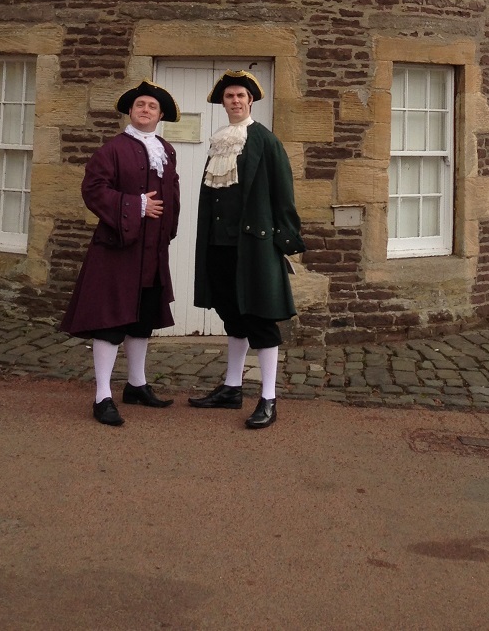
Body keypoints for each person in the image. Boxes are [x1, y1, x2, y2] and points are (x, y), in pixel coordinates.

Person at [189, 70, 306, 429]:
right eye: (229, 97)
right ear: (222, 103)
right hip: (219, 245)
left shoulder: (265, 141)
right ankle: (231, 388)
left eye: (240, 95)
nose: (235, 101)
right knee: (232, 316)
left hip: (255, 246)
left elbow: (283, 195)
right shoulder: (219, 140)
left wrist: (283, 243)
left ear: (250, 101)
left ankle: (268, 398)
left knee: (260, 319)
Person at [60, 80, 181, 425]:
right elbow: (93, 189)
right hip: (117, 250)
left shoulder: (167, 150)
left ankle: (137, 384)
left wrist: (167, 231)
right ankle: (102, 395)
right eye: (140, 105)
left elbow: (172, 194)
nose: (145, 110)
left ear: (160, 115)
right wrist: (137, 205)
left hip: (152, 252)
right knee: (111, 321)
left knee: (142, 320)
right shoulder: (112, 149)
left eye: (152, 107)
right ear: (131, 111)